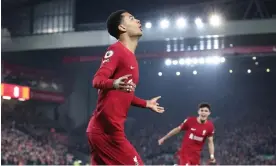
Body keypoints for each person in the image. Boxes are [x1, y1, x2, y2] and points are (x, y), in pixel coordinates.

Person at [86, 10, 165, 165]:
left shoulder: (131, 58)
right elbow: (97, 80)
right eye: (132, 18)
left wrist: (145, 103)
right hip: (106, 132)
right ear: (122, 27)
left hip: (104, 131)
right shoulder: (116, 50)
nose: (138, 21)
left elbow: (124, 94)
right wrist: (113, 83)